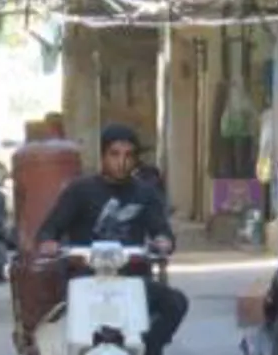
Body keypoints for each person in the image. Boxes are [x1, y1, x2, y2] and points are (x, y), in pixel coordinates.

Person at [37, 124, 189, 355]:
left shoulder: (145, 193)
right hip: (86, 278)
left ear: (135, 159)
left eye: (129, 155)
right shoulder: (80, 191)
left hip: (133, 281)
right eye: (114, 154)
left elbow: (162, 231)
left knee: (176, 303)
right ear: (103, 156)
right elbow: (49, 229)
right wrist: (49, 242)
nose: (121, 162)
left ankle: (148, 349)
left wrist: (163, 241)